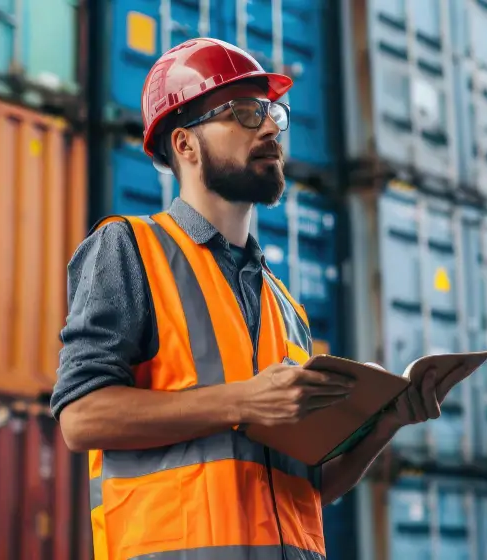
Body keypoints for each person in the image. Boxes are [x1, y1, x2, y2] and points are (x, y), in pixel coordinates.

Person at [51, 38, 449, 560]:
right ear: (185, 145)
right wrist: (244, 400)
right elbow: (81, 418)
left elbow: (310, 483)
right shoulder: (130, 249)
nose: (269, 128)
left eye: (271, 114)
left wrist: (386, 422)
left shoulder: (285, 306)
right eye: (242, 112)